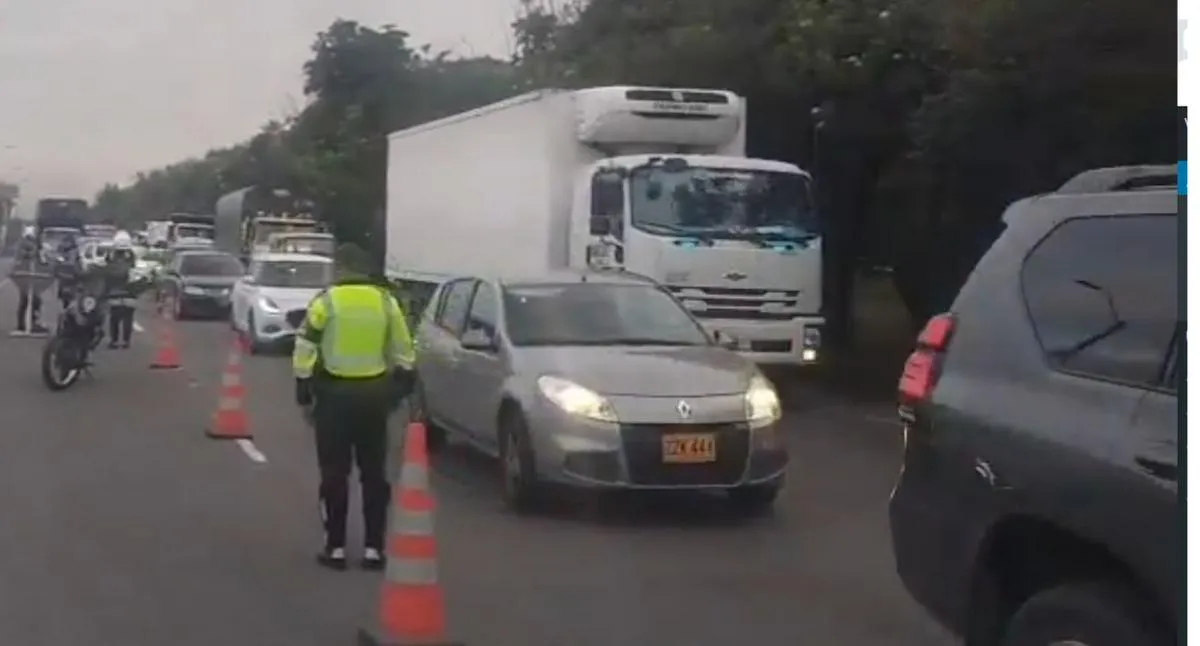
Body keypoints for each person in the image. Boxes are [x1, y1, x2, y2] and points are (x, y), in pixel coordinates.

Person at [291, 243, 416, 571]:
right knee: (374, 475)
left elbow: (305, 344)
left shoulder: (327, 301)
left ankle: (335, 547)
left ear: (341, 270)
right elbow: (404, 349)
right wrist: (399, 389)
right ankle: (374, 549)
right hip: (374, 396)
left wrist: (303, 389)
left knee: (335, 474)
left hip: (334, 396)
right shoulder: (386, 303)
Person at [101, 231, 140, 349]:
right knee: (128, 319)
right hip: (129, 295)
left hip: (115, 295)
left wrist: (105, 293)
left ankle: (114, 341)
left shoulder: (111, 260)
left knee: (115, 319)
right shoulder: (132, 260)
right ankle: (125, 341)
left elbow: (105, 274)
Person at [10, 226, 48, 336]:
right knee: (26, 301)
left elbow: (42, 260)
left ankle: (32, 322)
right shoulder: (24, 245)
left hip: (34, 275)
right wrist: (34, 251)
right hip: (25, 275)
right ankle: (23, 325)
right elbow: (23, 256)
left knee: (35, 301)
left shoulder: (37, 245)